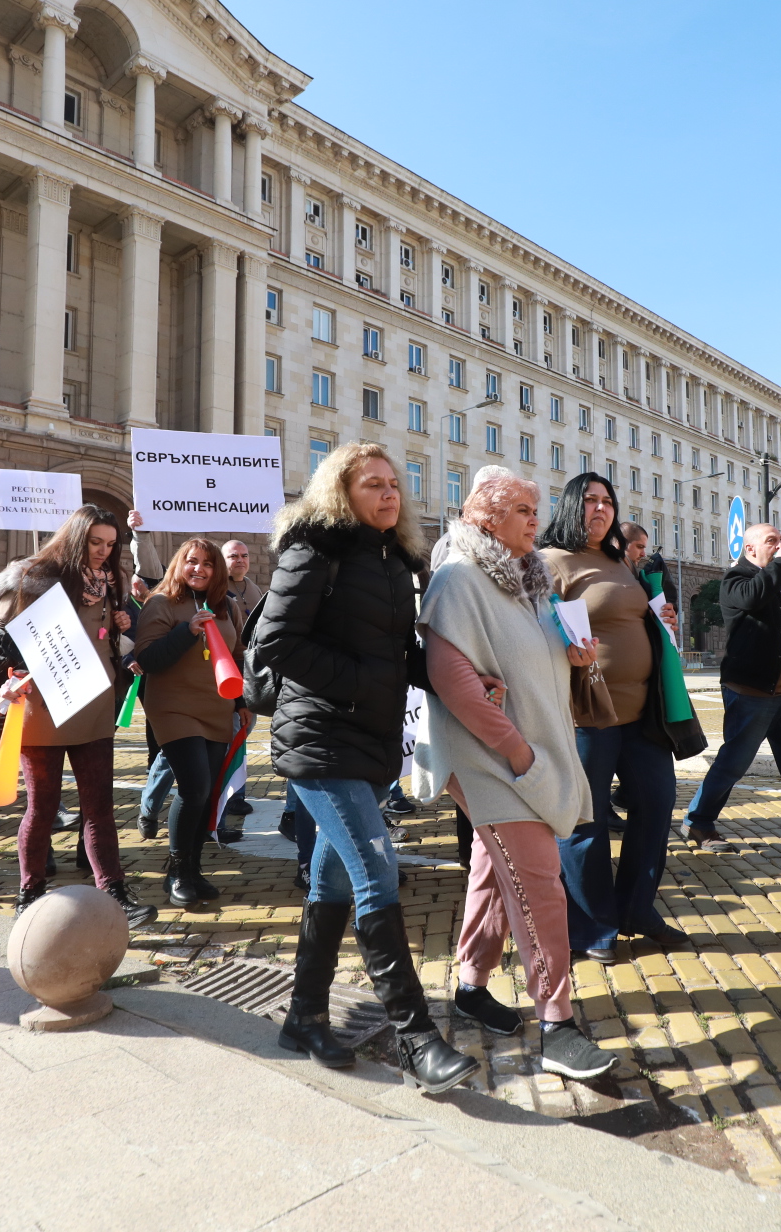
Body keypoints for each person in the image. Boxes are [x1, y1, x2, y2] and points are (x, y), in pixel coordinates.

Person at [256, 441, 477, 1094]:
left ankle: (304, 1017)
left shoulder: (394, 558)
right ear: (339, 492)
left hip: (372, 744)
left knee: (333, 881)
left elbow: (395, 652)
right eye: (373, 484)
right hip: (321, 742)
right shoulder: (314, 547)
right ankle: (415, 1039)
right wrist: (354, 685)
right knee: (378, 872)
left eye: (396, 484)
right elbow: (276, 640)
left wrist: (454, 678)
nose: (390, 494)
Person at [418, 472, 613, 1077]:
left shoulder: (529, 580)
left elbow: (540, 656)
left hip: (526, 756)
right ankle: (556, 1023)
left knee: (492, 868)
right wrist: (520, 755)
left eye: (535, 510)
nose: (536, 520)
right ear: (487, 517)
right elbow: (452, 680)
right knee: (538, 885)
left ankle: (471, 985)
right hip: (495, 762)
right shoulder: (460, 578)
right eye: (523, 510)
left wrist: (576, 656)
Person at [540, 472, 688, 965]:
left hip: (643, 713)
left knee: (656, 805)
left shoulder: (618, 561)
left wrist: (658, 620)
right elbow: (534, 631)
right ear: (568, 507)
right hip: (587, 715)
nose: (600, 509)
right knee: (586, 821)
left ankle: (635, 910)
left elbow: (630, 617)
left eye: (607, 501)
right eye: (589, 501)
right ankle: (590, 923)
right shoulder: (548, 563)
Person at [0, 505, 155, 928]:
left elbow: (105, 637)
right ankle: (30, 892)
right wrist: (6, 679)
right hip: (42, 706)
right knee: (41, 806)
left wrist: (118, 623)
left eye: (111, 545)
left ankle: (113, 892)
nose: (102, 551)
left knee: (99, 806)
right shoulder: (33, 577)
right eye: (95, 542)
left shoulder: (109, 581)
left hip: (92, 702)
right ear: (75, 537)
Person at [682, 523, 781, 854]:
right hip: (753, 694)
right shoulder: (737, 579)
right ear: (750, 549)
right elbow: (753, 597)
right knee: (734, 763)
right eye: (771, 541)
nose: (780, 545)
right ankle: (699, 822)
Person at [133, 537, 245, 907]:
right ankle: (177, 871)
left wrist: (241, 703)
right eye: (192, 561)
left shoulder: (227, 607)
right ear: (179, 564)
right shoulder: (161, 603)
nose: (199, 569)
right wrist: (188, 631)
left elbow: (236, 656)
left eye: (208, 564)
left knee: (209, 792)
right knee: (194, 787)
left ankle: (194, 869)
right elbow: (147, 658)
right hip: (174, 709)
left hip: (216, 708)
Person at [222, 540, 264, 613]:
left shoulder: (255, 589)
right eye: (234, 556)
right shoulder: (215, 587)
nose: (240, 560)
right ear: (222, 560)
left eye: (244, 556)